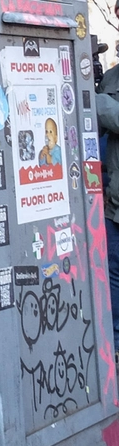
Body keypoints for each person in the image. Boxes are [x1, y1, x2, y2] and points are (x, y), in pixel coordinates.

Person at [94, 53, 119, 351]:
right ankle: (113, 347)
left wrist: (93, 97)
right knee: (113, 278)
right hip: (114, 206)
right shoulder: (110, 78)